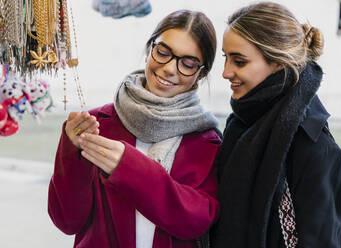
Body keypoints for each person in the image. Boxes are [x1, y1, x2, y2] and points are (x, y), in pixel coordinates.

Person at [48, 10, 221, 248]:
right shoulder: (97, 124)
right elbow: (67, 221)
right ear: (150, 49)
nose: (170, 68)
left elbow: (196, 221)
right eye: (163, 52)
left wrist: (129, 166)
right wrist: (72, 154)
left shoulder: (206, 142)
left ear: (201, 74)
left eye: (188, 64)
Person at [210, 2, 341, 248]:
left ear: (278, 62)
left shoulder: (316, 149)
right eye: (226, 58)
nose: (226, 72)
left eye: (239, 61)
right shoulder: (241, 124)